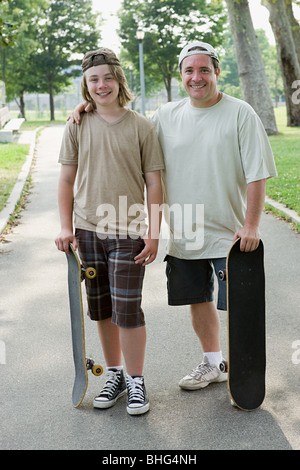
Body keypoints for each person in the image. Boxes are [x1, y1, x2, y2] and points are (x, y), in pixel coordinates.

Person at [69, 41, 277, 397]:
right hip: (185, 232)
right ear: (181, 75)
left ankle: (243, 369)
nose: (196, 78)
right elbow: (122, 124)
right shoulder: (165, 116)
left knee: (239, 305)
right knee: (199, 301)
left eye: (204, 70)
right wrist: (89, 103)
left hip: (230, 233)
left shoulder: (241, 113)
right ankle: (213, 363)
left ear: (216, 72)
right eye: (189, 71)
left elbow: (258, 174)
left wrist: (252, 224)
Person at [55, 48, 164, 415]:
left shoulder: (141, 126)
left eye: (107, 77)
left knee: (128, 311)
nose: (101, 85)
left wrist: (154, 232)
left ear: (120, 80)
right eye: (93, 79)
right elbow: (66, 180)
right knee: (101, 310)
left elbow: (154, 183)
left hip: (129, 232)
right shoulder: (77, 124)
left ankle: (137, 380)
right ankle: (114, 374)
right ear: (86, 86)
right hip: (87, 231)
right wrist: (65, 228)